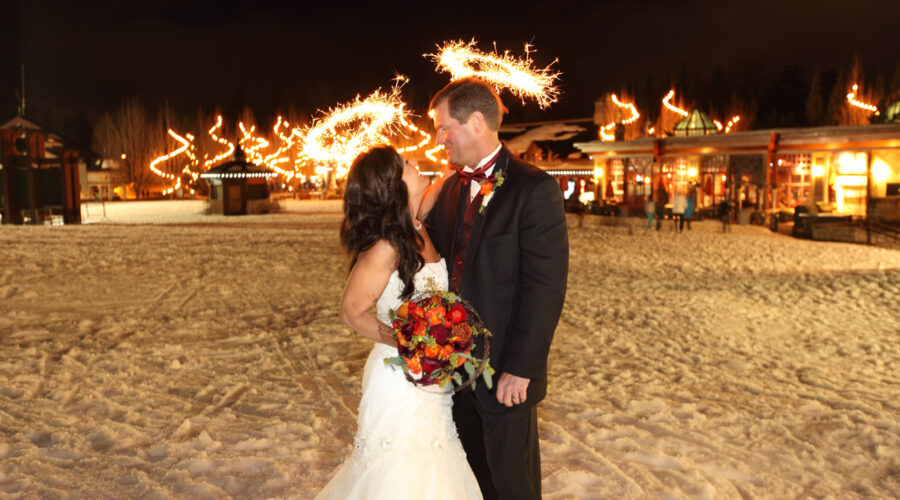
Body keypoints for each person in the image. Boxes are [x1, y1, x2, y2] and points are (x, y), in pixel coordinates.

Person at [422, 77, 569, 500]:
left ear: (477, 122)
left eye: (444, 127)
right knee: (471, 484)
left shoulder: (534, 189)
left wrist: (521, 367)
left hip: (507, 375)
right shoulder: (447, 190)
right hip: (454, 374)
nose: (439, 138)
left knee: (512, 486)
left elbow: (544, 288)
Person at [316, 146, 482, 500]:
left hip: (432, 382)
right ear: (393, 185)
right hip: (398, 381)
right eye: (406, 164)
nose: (415, 162)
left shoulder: (416, 223)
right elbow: (351, 311)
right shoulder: (386, 246)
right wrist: (410, 341)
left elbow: (449, 178)